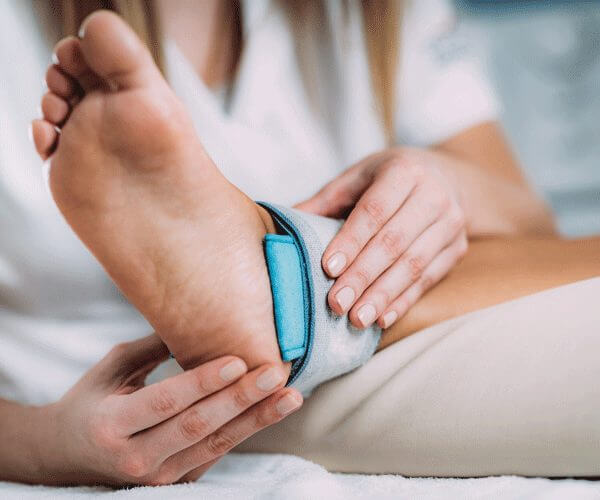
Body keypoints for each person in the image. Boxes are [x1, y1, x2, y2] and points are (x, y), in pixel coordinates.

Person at [1, 0, 598, 486]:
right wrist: (40, 443)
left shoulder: (379, 14)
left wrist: (444, 187)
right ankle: (293, 299)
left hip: (314, 369)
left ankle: (289, 291)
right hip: (177, 402)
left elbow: (533, 227)